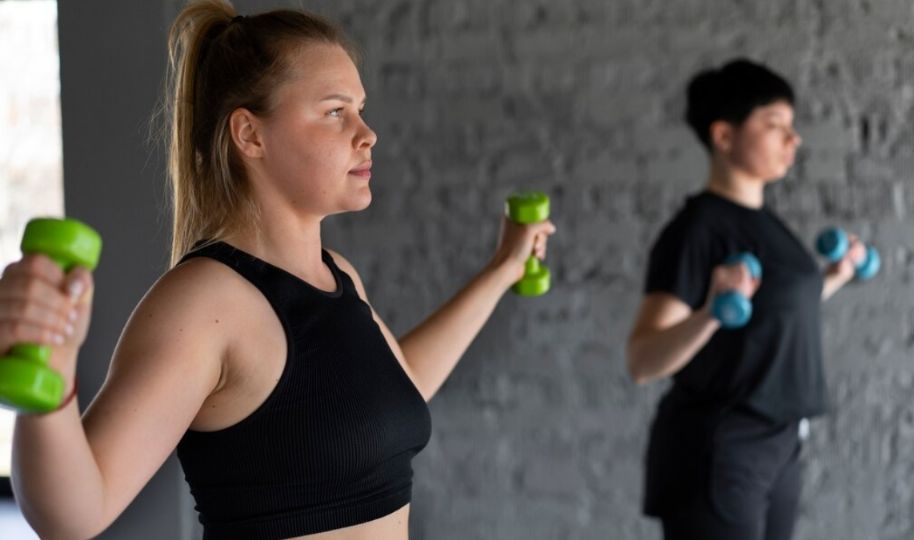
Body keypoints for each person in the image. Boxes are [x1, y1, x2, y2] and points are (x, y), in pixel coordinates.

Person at [2, 1, 554, 538]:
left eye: (360, 110)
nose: (367, 133)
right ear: (250, 135)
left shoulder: (336, 275)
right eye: (336, 111)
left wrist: (502, 270)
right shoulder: (205, 302)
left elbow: (396, 387)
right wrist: (49, 384)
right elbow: (76, 514)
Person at [625, 58, 864, 540]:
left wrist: (833, 278)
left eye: (792, 127)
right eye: (774, 126)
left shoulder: (767, 225)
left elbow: (775, 310)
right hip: (722, 448)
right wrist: (712, 313)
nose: (792, 140)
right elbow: (643, 359)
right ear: (724, 136)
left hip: (780, 442)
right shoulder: (698, 230)